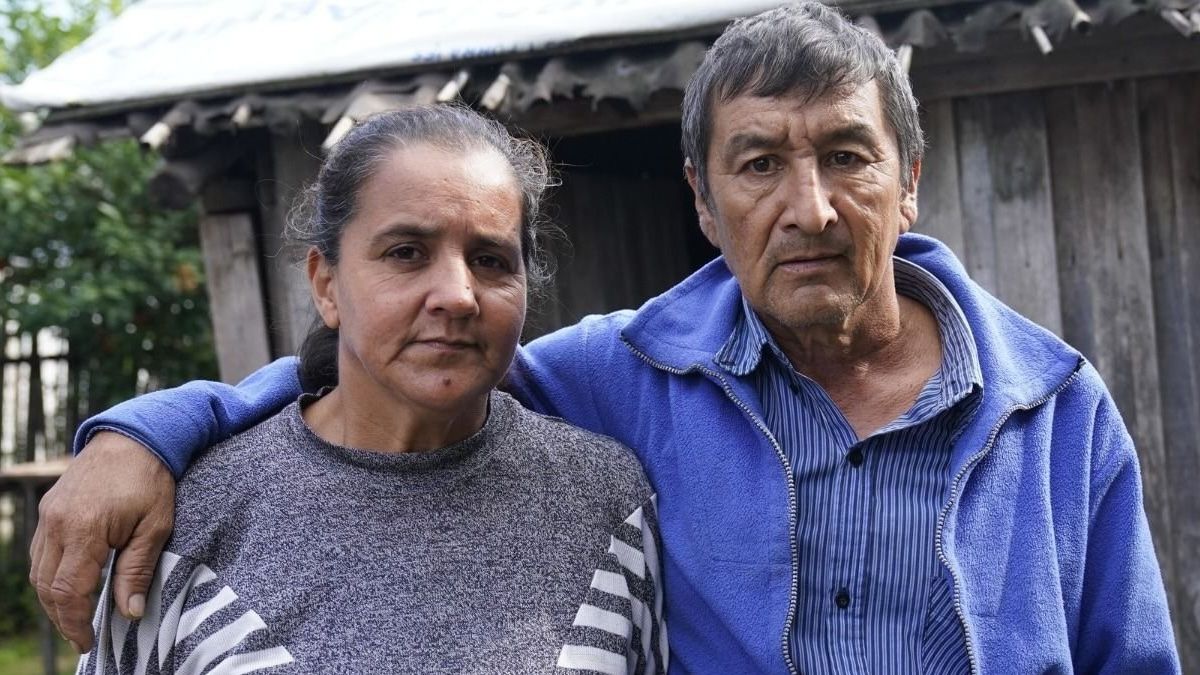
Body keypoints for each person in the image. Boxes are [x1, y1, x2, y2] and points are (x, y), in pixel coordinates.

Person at [34, 2, 1178, 673]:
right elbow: (403, 373)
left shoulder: (1055, 412)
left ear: (909, 180)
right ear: (703, 203)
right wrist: (147, 432)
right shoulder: (629, 377)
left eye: (846, 156)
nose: (811, 209)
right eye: (759, 164)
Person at [71, 105, 666, 674]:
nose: (458, 295)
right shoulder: (197, 515)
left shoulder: (602, 498)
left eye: (490, 260)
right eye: (406, 253)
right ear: (326, 285)